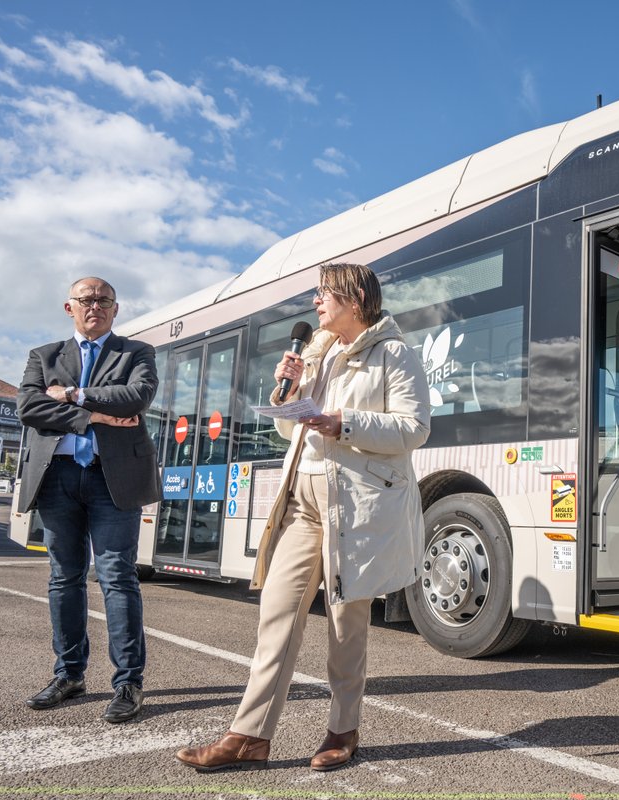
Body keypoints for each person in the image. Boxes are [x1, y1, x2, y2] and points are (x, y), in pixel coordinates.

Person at [175, 262, 430, 772]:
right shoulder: (318, 352)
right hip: (303, 502)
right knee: (277, 616)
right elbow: (294, 434)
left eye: (323, 294)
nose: (315, 303)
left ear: (354, 298)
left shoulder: (393, 353)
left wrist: (344, 421)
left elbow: (414, 427)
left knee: (345, 625)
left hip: (355, 509)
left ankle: (342, 729)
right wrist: (289, 395)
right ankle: (249, 736)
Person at [16, 276, 160, 724]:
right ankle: (69, 674)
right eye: (86, 300)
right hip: (57, 477)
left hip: (112, 478)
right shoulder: (44, 356)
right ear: (69, 307)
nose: (94, 306)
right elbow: (29, 408)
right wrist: (95, 415)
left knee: (117, 576)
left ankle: (128, 682)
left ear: (115, 309)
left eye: (103, 300)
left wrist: (75, 395)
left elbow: (138, 396)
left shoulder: (136, 353)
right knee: (64, 577)